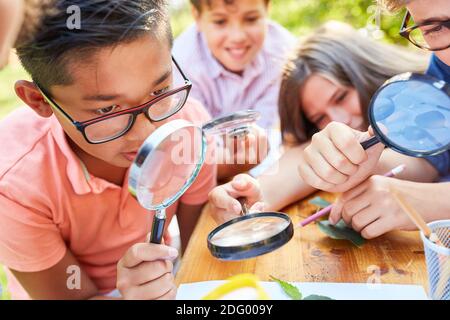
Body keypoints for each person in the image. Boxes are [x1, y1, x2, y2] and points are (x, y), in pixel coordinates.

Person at [0, 0, 216, 300]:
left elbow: (199, 256)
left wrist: (223, 212)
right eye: (108, 110)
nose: (146, 132)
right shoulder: (12, 184)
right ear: (38, 100)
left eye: (160, 90)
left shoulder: (185, 125)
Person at [208, 21, 436, 225]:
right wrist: (253, 198)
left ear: (368, 71)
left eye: (341, 97)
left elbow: (417, 163)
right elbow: (304, 157)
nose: (340, 119)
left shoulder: (427, 95)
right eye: (320, 119)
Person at [297, 0, 450, 239]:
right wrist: (371, 164)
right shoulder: (443, 64)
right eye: (434, 29)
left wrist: (428, 202)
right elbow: (436, 157)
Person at [173, 0, 295, 179]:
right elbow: (195, 151)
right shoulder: (181, 65)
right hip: (201, 167)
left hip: (256, 160)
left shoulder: (284, 53)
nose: (237, 36)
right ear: (197, 17)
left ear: (267, 10)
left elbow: (260, 134)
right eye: (220, 22)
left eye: (251, 19)